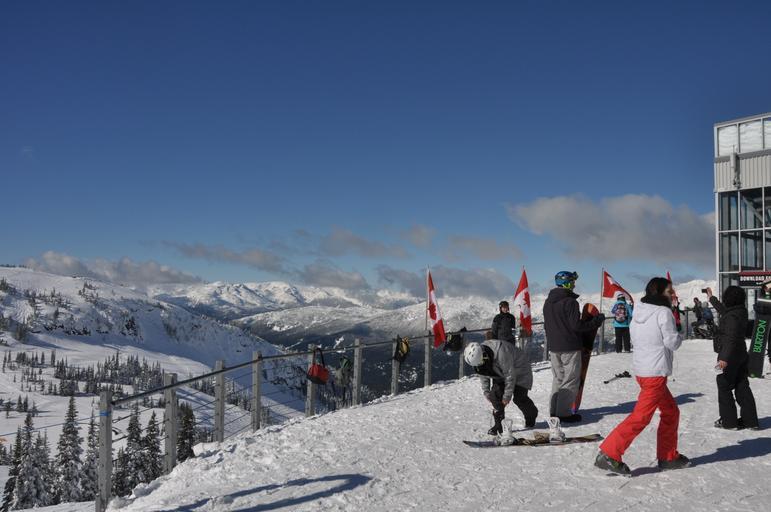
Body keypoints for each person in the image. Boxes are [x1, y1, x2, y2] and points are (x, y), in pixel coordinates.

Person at [594, 277, 689, 476]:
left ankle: (668, 456)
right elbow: (672, 343)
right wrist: (679, 332)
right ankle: (609, 453)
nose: (672, 294)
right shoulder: (663, 313)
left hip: (643, 369)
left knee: (671, 412)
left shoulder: (639, 310)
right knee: (641, 416)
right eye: (669, 291)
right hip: (655, 373)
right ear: (659, 293)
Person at [543, 271, 605, 423]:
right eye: (572, 281)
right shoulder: (570, 302)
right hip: (569, 346)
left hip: (554, 347)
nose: (574, 284)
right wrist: (596, 322)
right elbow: (577, 326)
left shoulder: (548, 302)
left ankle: (554, 411)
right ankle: (564, 413)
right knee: (570, 379)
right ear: (567, 283)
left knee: (558, 378)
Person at [707, 286, 759, 430]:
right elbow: (724, 311)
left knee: (723, 384)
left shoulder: (731, 317)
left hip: (730, 356)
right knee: (741, 385)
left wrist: (724, 358)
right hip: (741, 354)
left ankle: (728, 421)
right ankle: (750, 421)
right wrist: (712, 298)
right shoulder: (740, 312)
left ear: (728, 299)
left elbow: (730, 338)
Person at [464, 338, 538, 434]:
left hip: (521, 370)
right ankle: (499, 426)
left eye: (481, 362)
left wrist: (507, 396)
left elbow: (510, 375)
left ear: (484, 355)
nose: (481, 364)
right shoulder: (481, 356)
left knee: (519, 398)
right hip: (501, 372)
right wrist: (486, 391)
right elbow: (483, 372)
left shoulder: (501, 352)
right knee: (495, 396)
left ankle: (531, 415)